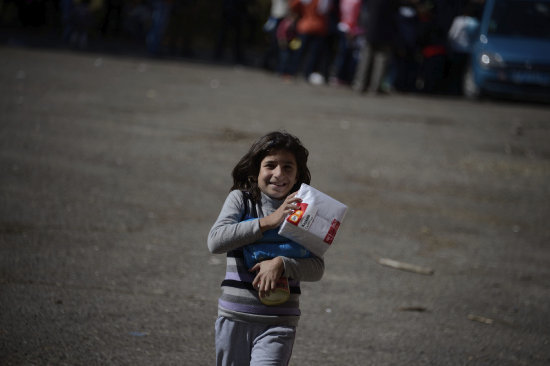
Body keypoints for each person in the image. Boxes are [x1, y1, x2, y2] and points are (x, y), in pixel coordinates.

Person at [208, 131, 325, 366]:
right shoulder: (241, 200)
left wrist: (282, 264)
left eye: (288, 167)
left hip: (279, 322)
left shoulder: (306, 210)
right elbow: (215, 241)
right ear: (255, 171)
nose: (278, 174)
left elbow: (317, 267)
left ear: (298, 174)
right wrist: (270, 221)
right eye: (270, 165)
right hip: (235, 317)